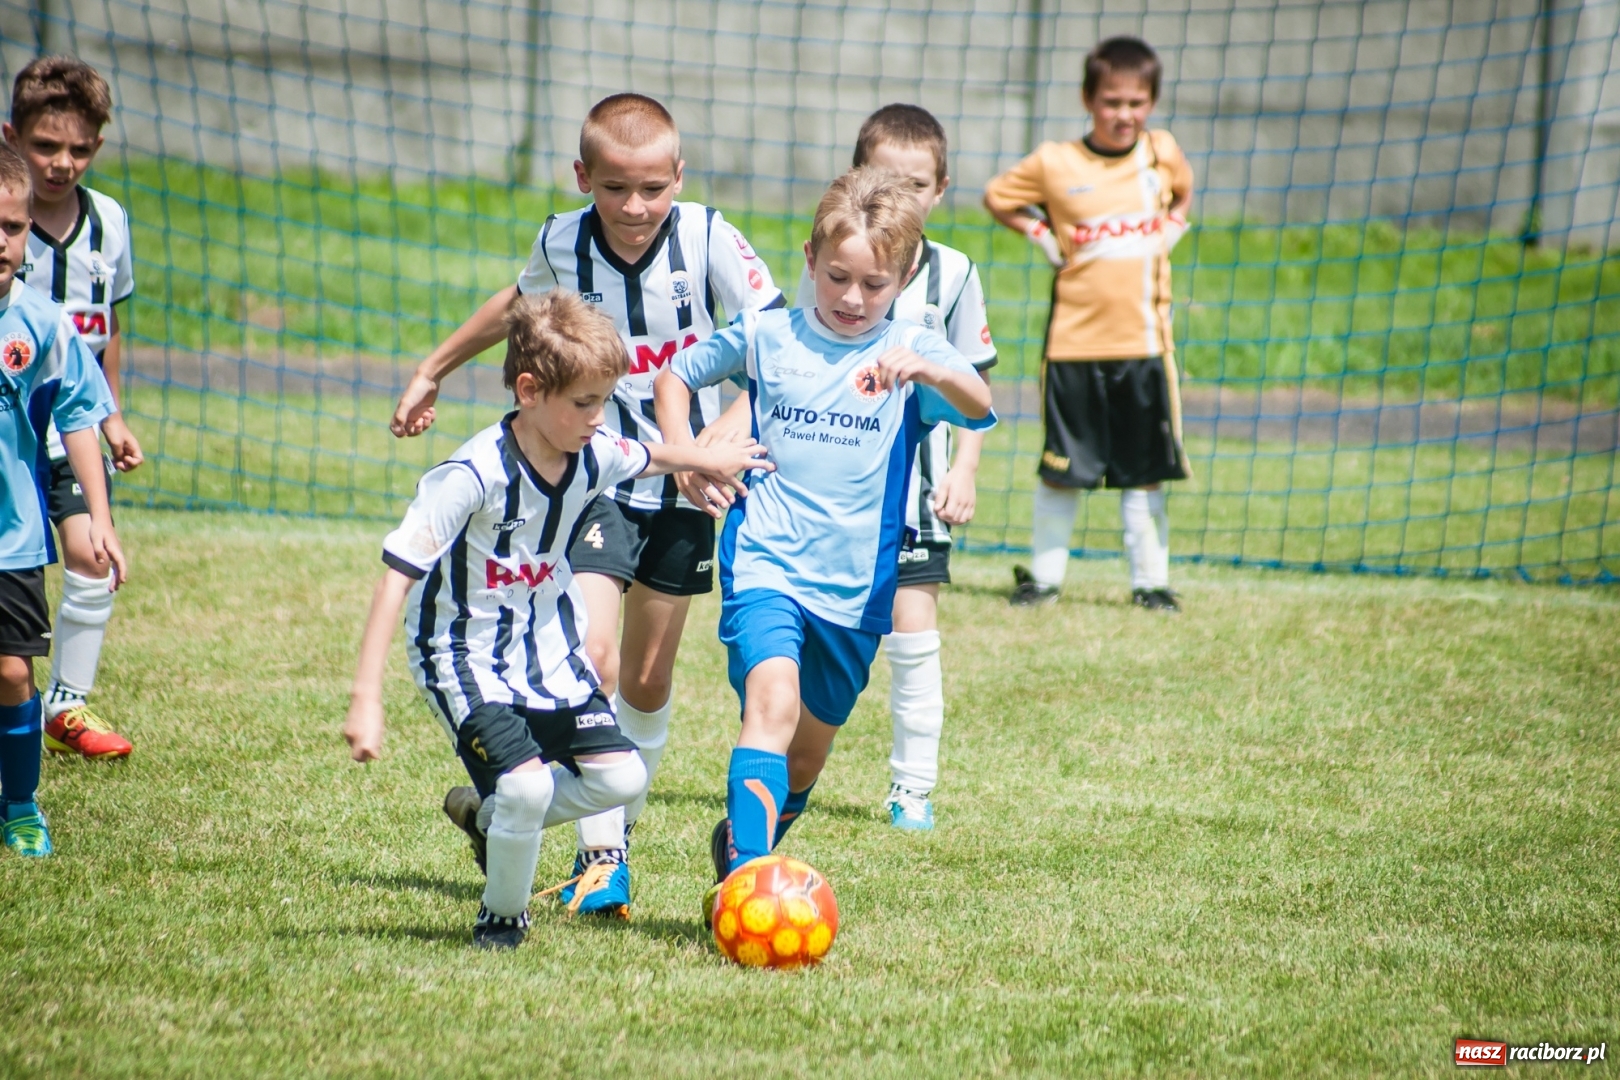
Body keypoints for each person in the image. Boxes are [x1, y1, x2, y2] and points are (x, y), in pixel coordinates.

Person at [389, 93, 783, 918]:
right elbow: (517, 309)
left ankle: (510, 816)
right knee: (595, 657)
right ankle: (604, 855)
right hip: (595, 480)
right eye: (614, 189)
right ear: (583, 179)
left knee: (645, 677)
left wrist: (712, 447)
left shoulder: (710, 236)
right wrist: (436, 365)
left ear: (679, 176)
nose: (634, 208)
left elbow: (772, 349)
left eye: (652, 189)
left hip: (685, 482)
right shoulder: (560, 241)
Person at [343, 290, 770, 948]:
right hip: (464, 656)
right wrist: (367, 698)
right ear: (529, 389)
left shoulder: (590, 452)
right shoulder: (473, 473)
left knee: (621, 778)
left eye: (604, 400)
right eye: (585, 403)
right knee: (528, 787)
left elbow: (647, 455)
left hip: (546, 653)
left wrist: (707, 457)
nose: (599, 418)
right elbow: (397, 575)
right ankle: (502, 920)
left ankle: (491, 820)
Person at [651, 166, 995, 924]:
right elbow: (677, 375)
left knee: (806, 757)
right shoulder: (770, 335)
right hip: (767, 562)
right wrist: (685, 454)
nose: (850, 298)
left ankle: (746, 839)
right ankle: (745, 889)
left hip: (856, 589)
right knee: (770, 703)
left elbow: (980, 403)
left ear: (902, 280)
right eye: (836, 277)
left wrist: (930, 366)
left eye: (873, 285)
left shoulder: (912, 348)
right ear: (809, 259)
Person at [788, 105, 997, 831]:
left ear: (941, 190)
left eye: (917, 184)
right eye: (887, 181)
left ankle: (912, 788)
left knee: (914, 635)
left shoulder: (955, 274)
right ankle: (785, 765)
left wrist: (963, 469)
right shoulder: (836, 262)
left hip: (912, 499)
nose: (902, 197)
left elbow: (977, 388)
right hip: (827, 503)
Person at [983, 35, 1195, 612]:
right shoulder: (1056, 162)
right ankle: (1045, 581)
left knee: (1142, 471)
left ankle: (1150, 583)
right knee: (1062, 468)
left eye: (1135, 102)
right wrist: (1042, 236)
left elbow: (1183, 195)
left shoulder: (1161, 153)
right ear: (1087, 99)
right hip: (1073, 346)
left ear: (1150, 102)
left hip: (1145, 346)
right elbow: (998, 196)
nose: (1123, 114)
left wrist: (1173, 228)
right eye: (1111, 102)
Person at [3, 56, 142, 757]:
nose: (62, 163)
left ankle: (67, 707)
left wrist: (112, 413)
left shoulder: (109, 223)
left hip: (73, 430)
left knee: (92, 555)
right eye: (46, 147)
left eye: (80, 149)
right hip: (11, 434)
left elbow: (106, 329)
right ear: (11, 136)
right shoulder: (5, 223)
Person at [0, 141, 127, 857]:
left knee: (13, 671)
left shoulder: (42, 324)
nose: (2, 241)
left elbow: (79, 413)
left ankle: (19, 804)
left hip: (12, 534)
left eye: (13, 227)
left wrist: (100, 518)